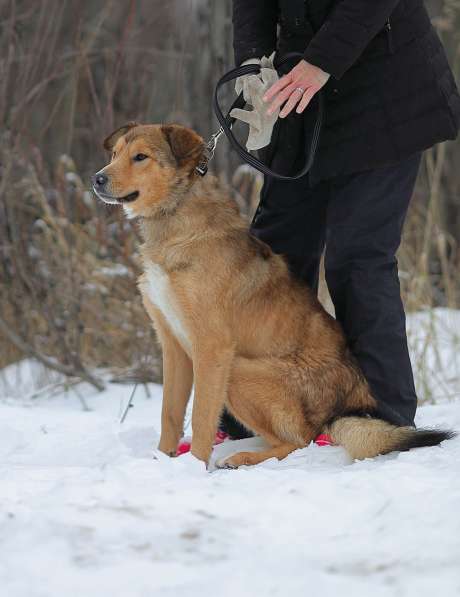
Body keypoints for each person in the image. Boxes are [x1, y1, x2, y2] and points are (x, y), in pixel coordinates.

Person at [219, 0, 460, 439]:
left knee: (358, 256)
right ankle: (249, 412)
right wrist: (254, 65)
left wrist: (321, 62)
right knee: (274, 254)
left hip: (385, 87)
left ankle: (382, 414)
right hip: (297, 89)